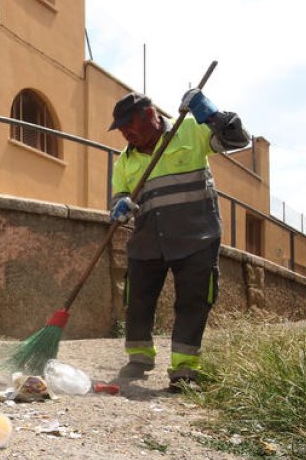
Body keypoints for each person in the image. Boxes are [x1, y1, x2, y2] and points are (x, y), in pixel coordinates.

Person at [106, 88, 250, 391]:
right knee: (137, 300)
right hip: (147, 241)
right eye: (120, 130)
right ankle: (139, 358)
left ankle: (184, 369)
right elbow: (119, 202)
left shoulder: (190, 130)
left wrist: (212, 115)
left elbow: (238, 140)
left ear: (150, 115)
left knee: (193, 303)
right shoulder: (124, 162)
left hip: (196, 237)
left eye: (129, 125)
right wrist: (119, 209)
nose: (126, 134)